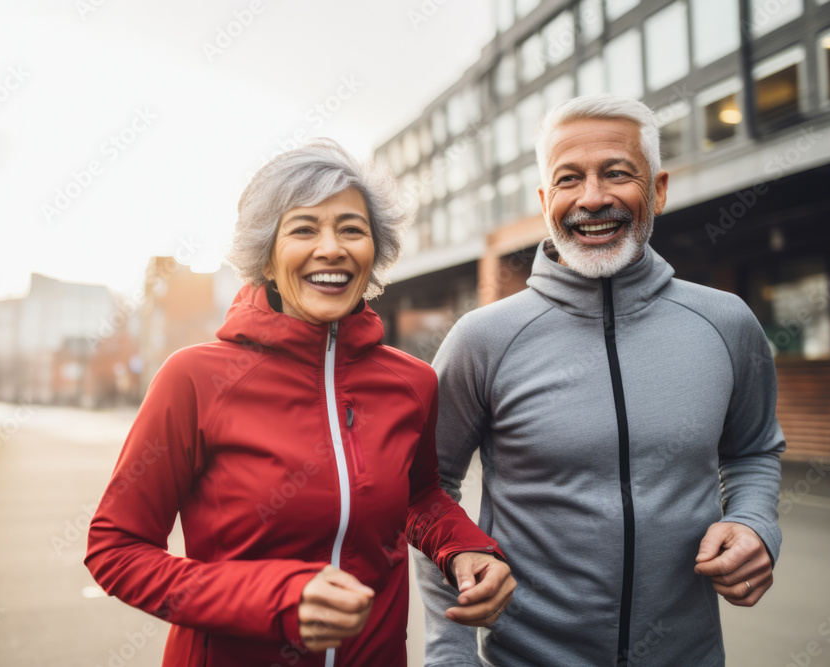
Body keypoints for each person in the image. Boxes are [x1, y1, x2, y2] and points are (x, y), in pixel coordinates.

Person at [85, 138, 516, 666]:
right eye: (304, 228)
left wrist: (465, 546)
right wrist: (276, 600)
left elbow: (416, 496)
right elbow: (116, 550)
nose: (331, 247)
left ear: (374, 252)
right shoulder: (194, 378)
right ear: (265, 254)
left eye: (351, 229)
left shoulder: (412, 382)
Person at [415, 94, 785, 666]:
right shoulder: (482, 338)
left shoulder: (727, 323)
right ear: (545, 201)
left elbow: (754, 449)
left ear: (658, 190)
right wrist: (451, 656)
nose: (592, 198)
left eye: (617, 173)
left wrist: (754, 523)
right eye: (569, 179)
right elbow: (427, 489)